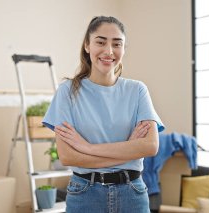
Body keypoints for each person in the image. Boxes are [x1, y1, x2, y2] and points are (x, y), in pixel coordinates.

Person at [42, 16, 165, 213]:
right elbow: (67, 156)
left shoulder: (137, 90)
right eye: (100, 42)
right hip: (85, 195)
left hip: (132, 194)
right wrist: (129, 149)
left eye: (117, 44)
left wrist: (87, 147)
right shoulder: (67, 92)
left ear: (123, 49)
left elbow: (150, 146)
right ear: (87, 45)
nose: (109, 51)